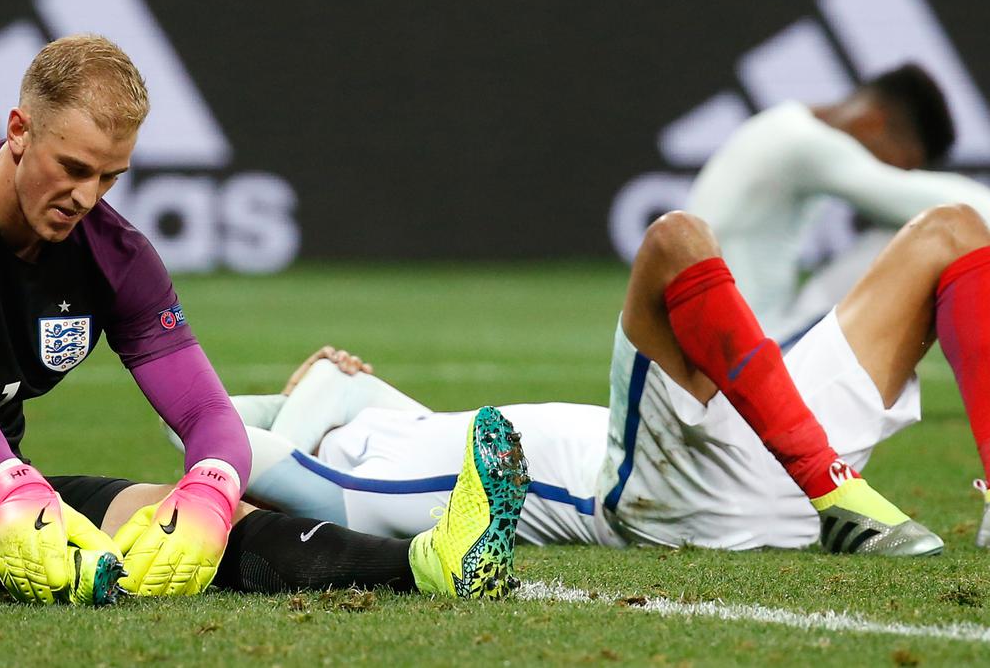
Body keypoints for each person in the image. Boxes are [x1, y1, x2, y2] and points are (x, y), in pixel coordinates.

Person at [0, 35, 528, 604]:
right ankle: (45, 563)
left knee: (176, 514)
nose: (88, 195)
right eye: (72, 167)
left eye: (110, 176)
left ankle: (430, 564)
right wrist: (14, 488)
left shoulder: (115, 256)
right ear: (19, 130)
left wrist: (210, 487)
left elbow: (201, 406)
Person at [228, 205, 990, 555]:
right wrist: (285, 424)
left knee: (949, 234)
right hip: (671, 497)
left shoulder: (395, 428)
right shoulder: (366, 496)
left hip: (760, 444)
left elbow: (321, 392)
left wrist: (314, 390)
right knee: (673, 241)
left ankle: (850, 495)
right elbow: (218, 439)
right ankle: (836, 491)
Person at [686, 64, 990, 342]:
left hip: (718, 341)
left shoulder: (783, 124)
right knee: (920, 233)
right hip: (743, 352)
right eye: (902, 162)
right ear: (874, 122)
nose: (896, 171)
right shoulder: (803, 142)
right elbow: (913, 199)